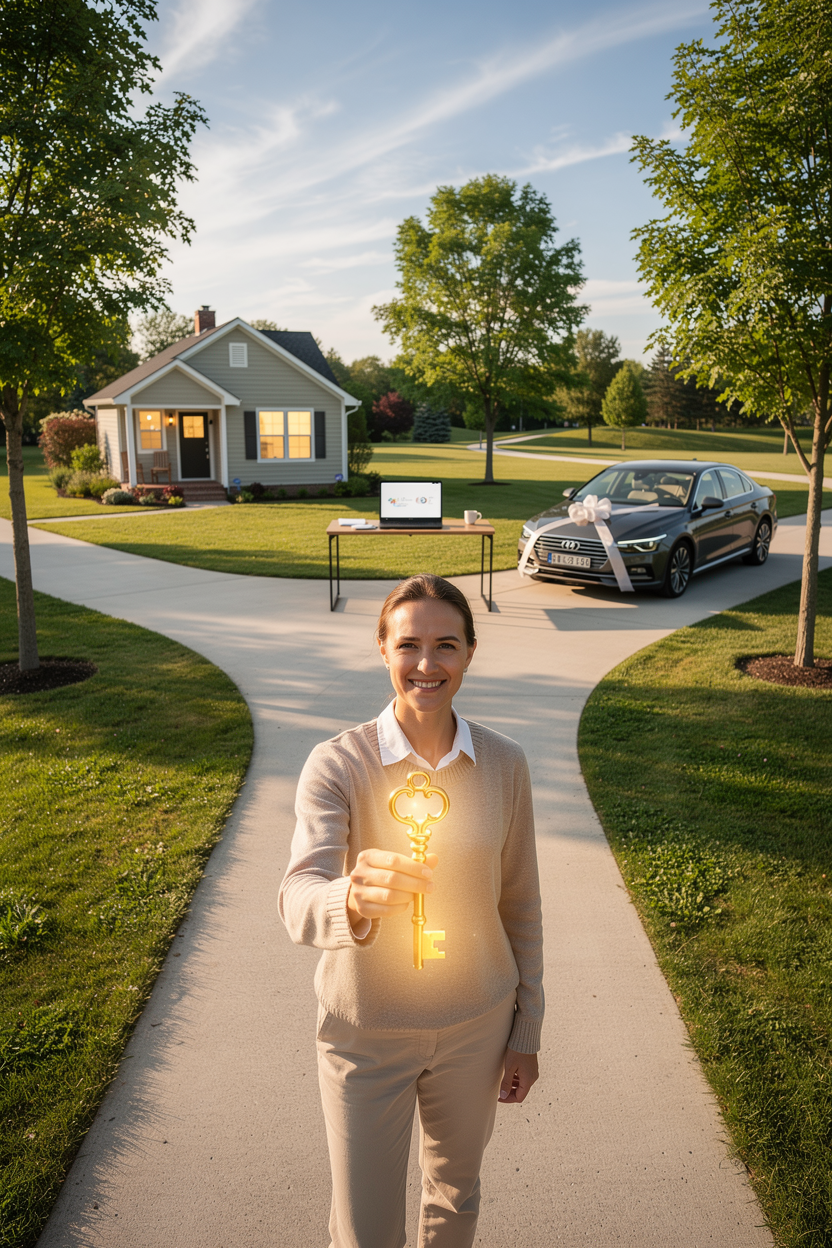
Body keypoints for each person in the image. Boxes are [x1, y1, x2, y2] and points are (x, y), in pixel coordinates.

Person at [279, 573, 544, 1248]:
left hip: (477, 1028)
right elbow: (297, 898)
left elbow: (520, 904)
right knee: (364, 1228)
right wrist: (351, 898)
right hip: (366, 1032)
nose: (427, 665)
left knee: (456, 1199)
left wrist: (527, 1029)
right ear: (382, 649)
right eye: (410, 645)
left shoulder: (505, 765)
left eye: (446, 645)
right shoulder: (337, 764)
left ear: (470, 653)